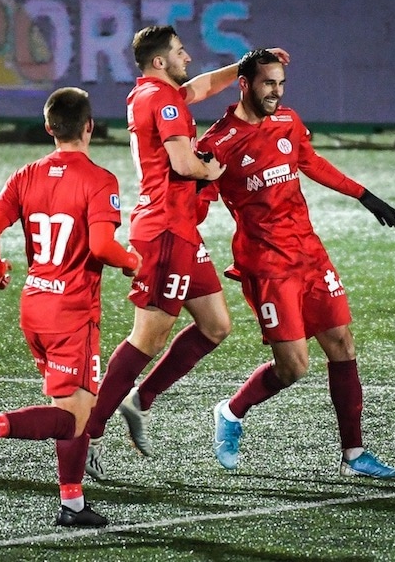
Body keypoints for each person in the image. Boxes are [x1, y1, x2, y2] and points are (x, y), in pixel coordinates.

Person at [83, 25, 288, 480]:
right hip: (164, 233)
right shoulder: (164, 100)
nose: (187, 57)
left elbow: (203, 86)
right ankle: (88, 434)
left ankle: (140, 400)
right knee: (147, 339)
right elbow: (183, 163)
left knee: (215, 325)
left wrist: (245, 64)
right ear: (160, 61)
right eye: (179, 52)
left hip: (181, 232)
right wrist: (211, 170)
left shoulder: (150, 92)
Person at [196, 48, 395, 478]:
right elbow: (196, 204)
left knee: (342, 344)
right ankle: (231, 412)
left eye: (281, 84)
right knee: (293, 366)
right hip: (267, 265)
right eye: (268, 83)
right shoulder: (217, 143)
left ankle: (353, 455)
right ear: (244, 84)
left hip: (309, 254)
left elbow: (311, 163)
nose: (276, 92)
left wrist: (363, 195)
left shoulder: (287, 121)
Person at [0, 87, 141, 527]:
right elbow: (102, 246)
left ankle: (72, 504)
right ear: (90, 127)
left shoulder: (26, 175)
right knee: (74, 418)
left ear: (48, 127)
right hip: (72, 313)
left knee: (71, 409)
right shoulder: (100, 180)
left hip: (34, 305)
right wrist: (134, 262)